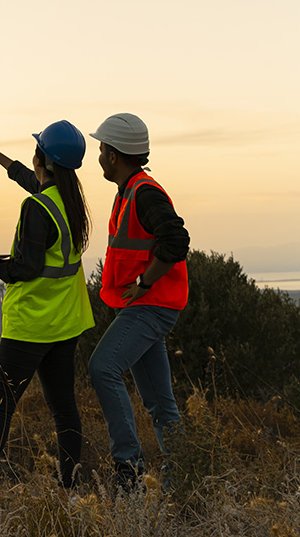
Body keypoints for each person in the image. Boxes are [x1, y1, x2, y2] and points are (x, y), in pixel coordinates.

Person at [0, 120, 95, 502]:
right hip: (66, 322)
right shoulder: (69, 201)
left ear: (41, 158)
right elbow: (30, 181)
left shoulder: (36, 207)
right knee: (64, 410)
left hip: (31, 325)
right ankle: (69, 495)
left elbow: (25, 268)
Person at [86, 113, 190, 490]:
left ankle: (127, 469)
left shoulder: (144, 193)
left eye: (101, 149)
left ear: (114, 155)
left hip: (153, 306)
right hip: (148, 305)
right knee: (160, 403)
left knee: (103, 368)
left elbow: (176, 241)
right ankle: (183, 477)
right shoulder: (131, 190)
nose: (98, 155)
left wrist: (145, 282)